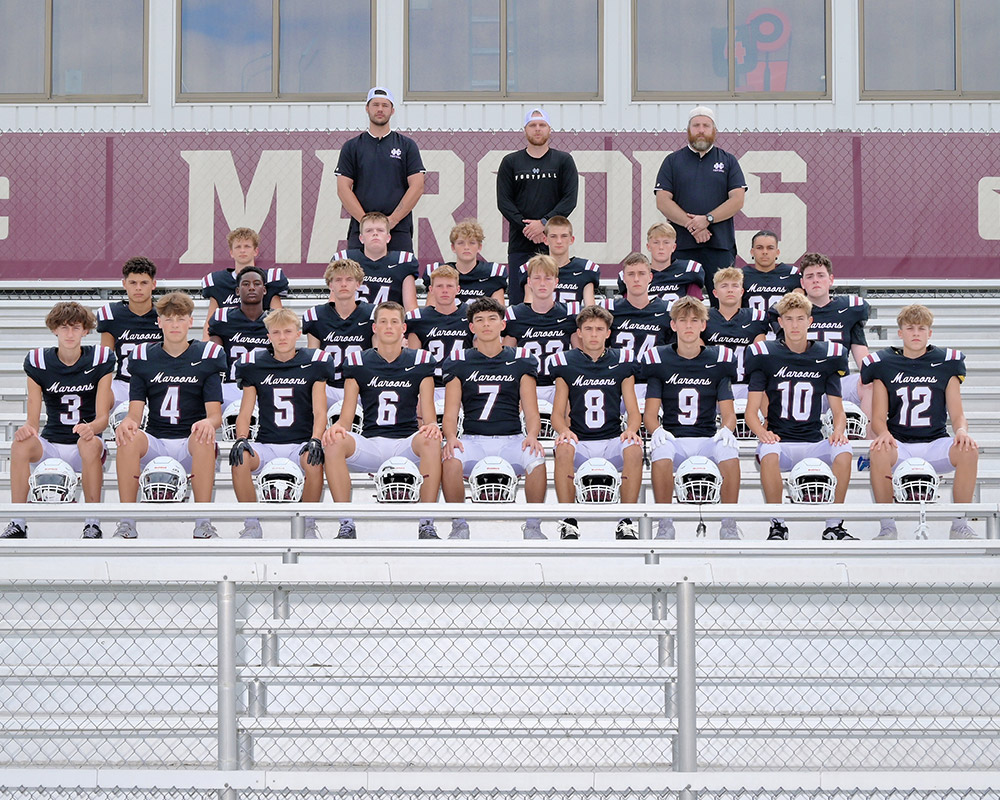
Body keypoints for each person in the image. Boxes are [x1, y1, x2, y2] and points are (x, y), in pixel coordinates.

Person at [322, 302, 442, 540]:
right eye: (384, 321)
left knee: (430, 438)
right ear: (374, 327)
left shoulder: (421, 360)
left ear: (403, 328)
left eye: (394, 321)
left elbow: (428, 415)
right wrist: (336, 428)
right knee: (334, 442)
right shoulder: (359, 361)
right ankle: (346, 522)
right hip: (371, 443)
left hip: (406, 443)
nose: (389, 326)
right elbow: (346, 417)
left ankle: (426, 522)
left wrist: (431, 426)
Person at [861, 304, 979, 540]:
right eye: (910, 328)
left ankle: (960, 524)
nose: (916, 333)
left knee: (968, 450)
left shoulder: (947, 362)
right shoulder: (884, 364)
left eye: (921, 328)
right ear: (900, 332)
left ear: (930, 333)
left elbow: (957, 413)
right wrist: (882, 433)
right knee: (879, 451)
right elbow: (878, 417)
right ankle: (887, 526)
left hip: (935, 442)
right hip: (900, 445)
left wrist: (962, 431)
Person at [114, 292, 227, 539]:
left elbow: (215, 415)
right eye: (169, 318)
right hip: (157, 441)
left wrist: (208, 422)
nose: (174, 324)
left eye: (180, 318)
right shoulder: (144, 357)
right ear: (159, 322)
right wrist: (128, 423)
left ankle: (203, 521)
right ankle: (127, 521)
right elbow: (135, 411)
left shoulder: (206, 355)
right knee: (128, 437)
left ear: (191, 321)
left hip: (191, 443)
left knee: (204, 435)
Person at [744, 292, 855, 542]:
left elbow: (838, 411)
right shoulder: (766, 355)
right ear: (780, 322)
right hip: (780, 442)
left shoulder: (826, 356)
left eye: (800, 318)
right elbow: (751, 412)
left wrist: (838, 430)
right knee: (769, 451)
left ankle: (834, 524)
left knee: (844, 449)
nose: (795, 325)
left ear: (810, 321)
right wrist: (763, 433)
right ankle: (777, 524)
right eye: (789, 319)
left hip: (813, 442)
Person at [4, 303, 115, 540]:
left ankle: (92, 522)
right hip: (52, 443)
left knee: (90, 443)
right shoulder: (38, 361)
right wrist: (27, 429)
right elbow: (33, 420)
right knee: (20, 445)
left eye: (76, 327)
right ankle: (17, 521)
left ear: (86, 331)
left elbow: (103, 417)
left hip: (86, 443)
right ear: (54, 329)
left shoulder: (100, 359)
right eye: (64, 328)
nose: (70, 334)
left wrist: (91, 428)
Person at [440, 297, 547, 540]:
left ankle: (533, 525)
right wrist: (450, 437)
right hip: (473, 438)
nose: (486, 325)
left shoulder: (521, 360)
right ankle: (459, 524)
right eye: (479, 320)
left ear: (502, 324)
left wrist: (532, 435)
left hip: (512, 438)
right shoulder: (459, 360)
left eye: (492, 319)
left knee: (536, 458)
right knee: (451, 459)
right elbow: (451, 410)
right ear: (472, 327)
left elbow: (531, 410)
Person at [641, 297, 741, 540]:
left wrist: (726, 430)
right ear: (673, 325)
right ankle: (665, 523)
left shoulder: (719, 360)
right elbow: (650, 415)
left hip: (707, 437)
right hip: (674, 437)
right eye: (683, 320)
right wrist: (657, 431)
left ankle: (728, 522)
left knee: (729, 449)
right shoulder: (660, 359)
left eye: (695, 320)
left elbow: (728, 415)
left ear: (703, 325)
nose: (688, 326)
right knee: (661, 449)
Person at [230, 309, 332, 540]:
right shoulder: (255, 365)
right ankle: (251, 523)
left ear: (298, 334)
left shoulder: (313, 362)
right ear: (268, 336)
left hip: (301, 443)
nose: (282, 337)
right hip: (267, 443)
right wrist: (241, 439)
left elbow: (319, 409)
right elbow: (246, 411)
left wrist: (316, 439)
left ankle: (307, 523)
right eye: (276, 332)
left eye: (287, 331)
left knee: (314, 461)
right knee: (240, 459)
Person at [548, 305, 643, 540]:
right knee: (563, 447)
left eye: (599, 329)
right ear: (578, 332)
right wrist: (563, 431)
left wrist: (631, 430)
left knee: (633, 448)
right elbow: (557, 414)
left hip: (611, 438)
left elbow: (633, 410)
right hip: (579, 439)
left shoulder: (622, 361)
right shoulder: (566, 363)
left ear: (608, 333)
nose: (593, 334)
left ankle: (627, 520)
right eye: (588, 329)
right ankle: (569, 519)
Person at [654, 105, 746, 298]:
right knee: (684, 305)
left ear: (714, 130)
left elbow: (737, 200)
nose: (701, 130)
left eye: (706, 125)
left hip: (720, 246)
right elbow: (663, 201)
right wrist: (692, 225)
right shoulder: (672, 161)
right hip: (682, 247)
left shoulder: (728, 161)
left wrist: (708, 219)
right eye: (696, 125)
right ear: (688, 130)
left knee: (723, 302)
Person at [496, 108, 579, 305]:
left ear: (550, 130)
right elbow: (504, 202)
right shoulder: (510, 162)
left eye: (542, 125)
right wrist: (527, 228)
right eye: (532, 125)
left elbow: (570, 199)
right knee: (520, 301)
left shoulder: (563, 160)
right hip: (520, 243)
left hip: (553, 244)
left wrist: (544, 224)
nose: (537, 129)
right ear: (525, 130)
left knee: (552, 300)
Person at [335, 86, 425, 253]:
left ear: (392, 111)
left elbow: (417, 186)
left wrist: (392, 221)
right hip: (361, 231)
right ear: (367, 108)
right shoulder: (352, 147)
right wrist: (366, 224)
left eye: (385, 105)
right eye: (375, 105)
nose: (380, 109)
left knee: (403, 275)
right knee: (357, 277)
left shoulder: (407, 145)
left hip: (398, 230)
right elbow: (343, 188)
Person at [785, 252, 872, 418]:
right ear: (802, 283)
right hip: (802, 384)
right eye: (809, 276)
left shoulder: (848, 311)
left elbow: (863, 359)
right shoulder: (792, 313)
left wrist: (874, 376)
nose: (815, 280)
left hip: (838, 383)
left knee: (870, 383)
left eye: (820, 275)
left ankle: (869, 437)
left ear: (831, 279)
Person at [502, 255, 580, 405]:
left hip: (558, 385)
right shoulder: (515, 315)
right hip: (525, 384)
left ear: (556, 282)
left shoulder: (569, 313)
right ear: (529, 282)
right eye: (537, 278)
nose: (542, 283)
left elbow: (580, 354)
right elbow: (506, 356)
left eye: (548, 278)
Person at [303, 258, 376, 408]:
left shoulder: (372, 314)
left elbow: (376, 356)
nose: (343, 284)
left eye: (349, 279)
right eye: (338, 280)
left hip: (361, 388)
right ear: (330, 285)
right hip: (328, 387)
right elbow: (313, 360)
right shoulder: (316, 316)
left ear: (358, 284)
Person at [200, 227, 287, 340]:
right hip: (230, 338)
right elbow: (210, 323)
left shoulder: (269, 279)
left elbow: (279, 318)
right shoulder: (218, 282)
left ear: (256, 251)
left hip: (261, 338)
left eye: (247, 246)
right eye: (238, 247)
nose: (242, 250)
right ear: (231, 252)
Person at [97, 257, 162, 405]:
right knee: (96, 395)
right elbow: (105, 359)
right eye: (133, 283)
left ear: (153, 284)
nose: (138, 288)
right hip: (123, 384)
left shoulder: (164, 314)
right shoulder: (112, 314)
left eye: (144, 283)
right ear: (124, 284)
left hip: (156, 384)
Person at [406, 265, 472, 401]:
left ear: (458, 289)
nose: (445, 291)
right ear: (431, 289)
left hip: (462, 384)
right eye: (439, 286)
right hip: (431, 385)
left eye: (449, 286)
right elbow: (413, 359)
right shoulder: (418, 318)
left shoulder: (471, 315)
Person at [207, 266, 271, 406]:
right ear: (237, 291)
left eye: (257, 284)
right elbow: (213, 357)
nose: (252, 288)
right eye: (246, 284)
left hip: (265, 387)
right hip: (231, 387)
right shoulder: (223, 317)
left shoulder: (274, 320)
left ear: (264, 290)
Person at [331, 211, 419, 311]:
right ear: (361, 238)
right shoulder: (346, 259)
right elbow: (334, 302)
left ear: (388, 237)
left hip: (388, 323)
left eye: (380, 230)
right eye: (369, 231)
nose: (375, 234)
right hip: (354, 323)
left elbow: (411, 308)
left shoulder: (403, 261)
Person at [704, 267, 770, 398]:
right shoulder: (705, 317)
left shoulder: (755, 317)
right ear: (715, 293)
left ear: (741, 291)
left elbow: (761, 359)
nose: (730, 290)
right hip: (713, 385)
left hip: (747, 386)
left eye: (735, 285)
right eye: (724, 286)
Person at [604, 253, 672, 365]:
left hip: (653, 377)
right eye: (631, 274)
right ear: (624, 278)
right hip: (620, 376)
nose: (636, 279)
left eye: (641, 274)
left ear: (650, 277)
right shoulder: (609, 309)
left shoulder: (667, 310)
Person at [616, 223, 705, 306]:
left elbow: (695, 309)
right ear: (648, 246)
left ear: (673, 247)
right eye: (656, 242)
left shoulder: (689, 270)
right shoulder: (636, 273)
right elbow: (629, 307)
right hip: (646, 321)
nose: (661, 247)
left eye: (666, 242)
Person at [520, 216, 600, 307]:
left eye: (564, 236)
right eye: (553, 236)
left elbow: (590, 309)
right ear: (545, 240)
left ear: (571, 240)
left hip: (572, 321)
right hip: (541, 320)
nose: (559, 241)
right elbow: (529, 305)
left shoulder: (584, 269)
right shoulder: (533, 267)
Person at [422, 219, 507, 304]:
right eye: (461, 243)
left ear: (479, 247)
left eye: (472, 243)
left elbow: (499, 313)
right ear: (453, 247)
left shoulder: (493, 274)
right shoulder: (439, 272)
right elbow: (430, 311)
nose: (466, 247)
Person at [741, 230, 801, 314]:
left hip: (782, 325)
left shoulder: (792, 274)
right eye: (759, 248)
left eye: (770, 248)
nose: (765, 252)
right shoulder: (741, 276)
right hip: (750, 326)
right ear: (752, 252)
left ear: (777, 252)